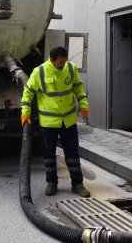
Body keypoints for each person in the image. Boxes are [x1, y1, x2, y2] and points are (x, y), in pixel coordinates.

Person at [21, 46, 90, 197]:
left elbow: (78, 88)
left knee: (72, 153)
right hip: (49, 123)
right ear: (51, 60)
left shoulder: (70, 69)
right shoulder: (39, 72)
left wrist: (84, 105)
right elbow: (28, 92)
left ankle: (77, 184)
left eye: (64, 61)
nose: (63, 65)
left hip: (68, 122)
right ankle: (51, 183)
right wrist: (25, 112)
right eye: (60, 62)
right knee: (49, 155)